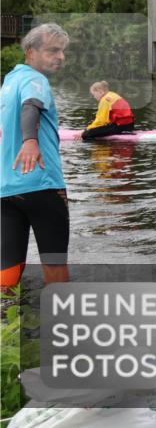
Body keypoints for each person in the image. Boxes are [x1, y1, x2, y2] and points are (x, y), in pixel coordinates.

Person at [1, 23, 71, 289]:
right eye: (53, 51)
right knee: (54, 263)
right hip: (42, 184)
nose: (60, 57)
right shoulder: (35, 79)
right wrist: (31, 141)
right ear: (31, 52)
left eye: (62, 51)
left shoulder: (9, 81)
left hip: (7, 189)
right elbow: (31, 106)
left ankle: (6, 324)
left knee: (8, 266)